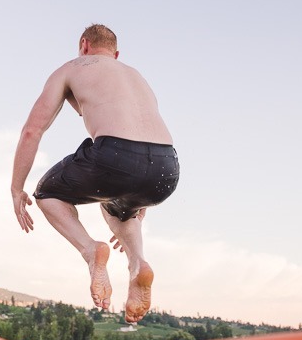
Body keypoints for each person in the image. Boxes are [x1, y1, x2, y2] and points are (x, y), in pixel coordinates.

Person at [11, 24, 180, 323]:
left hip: (116, 156)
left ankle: (91, 251)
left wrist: (16, 188)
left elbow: (31, 131)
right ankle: (137, 262)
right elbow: (143, 144)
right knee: (118, 201)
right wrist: (137, 201)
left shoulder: (72, 67)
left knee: (47, 193)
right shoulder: (137, 77)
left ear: (84, 45)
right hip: (165, 169)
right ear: (116, 54)